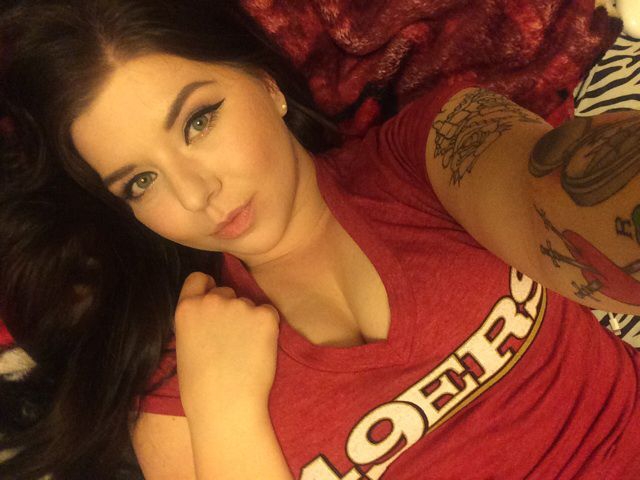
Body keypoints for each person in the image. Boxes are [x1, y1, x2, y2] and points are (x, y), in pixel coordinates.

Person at [0, 0, 638, 479]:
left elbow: (559, 193)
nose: (196, 195)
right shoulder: (178, 384)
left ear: (267, 84)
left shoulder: (427, 155)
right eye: (141, 181)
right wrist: (225, 408)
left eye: (198, 121)